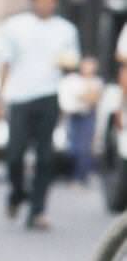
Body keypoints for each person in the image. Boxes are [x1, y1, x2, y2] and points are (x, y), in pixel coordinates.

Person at [0, 0, 80, 230]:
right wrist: (0, 97)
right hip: (20, 96)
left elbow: (73, 62)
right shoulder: (16, 26)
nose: (46, 4)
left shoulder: (66, 30)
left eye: (50, 0)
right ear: (32, 0)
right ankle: (17, 193)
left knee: (45, 156)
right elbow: (5, 63)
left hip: (49, 96)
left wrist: (67, 64)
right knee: (14, 154)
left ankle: (38, 210)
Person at [58, 56, 103, 186]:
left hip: (87, 116)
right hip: (74, 115)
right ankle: (71, 175)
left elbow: (93, 98)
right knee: (72, 147)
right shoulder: (73, 80)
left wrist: (85, 95)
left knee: (84, 148)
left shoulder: (97, 81)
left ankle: (81, 177)